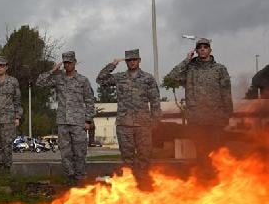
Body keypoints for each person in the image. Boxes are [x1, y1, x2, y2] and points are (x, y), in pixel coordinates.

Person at [167, 38, 233, 182]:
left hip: (216, 119)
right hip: (196, 119)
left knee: (217, 152)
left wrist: (228, 115)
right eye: (200, 47)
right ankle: (204, 182)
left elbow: (226, 93)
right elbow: (171, 78)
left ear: (210, 50)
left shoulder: (220, 69)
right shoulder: (189, 69)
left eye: (205, 47)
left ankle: (219, 182)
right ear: (196, 51)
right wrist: (186, 61)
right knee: (201, 153)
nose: (203, 49)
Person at [97, 49, 162, 190]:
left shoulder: (148, 78)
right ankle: (130, 188)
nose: (132, 62)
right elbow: (100, 80)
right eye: (129, 60)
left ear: (139, 60)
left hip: (143, 125)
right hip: (124, 125)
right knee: (127, 159)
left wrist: (155, 122)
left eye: (134, 60)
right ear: (126, 62)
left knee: (144, 157)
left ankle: (143, 186)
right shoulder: (120, 77)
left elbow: (155, 101)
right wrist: (112, 65)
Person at [36, 51, 95, 187]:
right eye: (65, 63)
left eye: (70, 62)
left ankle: (80, 179)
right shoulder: (58, 79)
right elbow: (40, 82)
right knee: (65, 153)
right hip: (63, 121)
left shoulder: (82, 80)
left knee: (80, 152)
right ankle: (71, 178)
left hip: (78, 122)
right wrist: (52, 70)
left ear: (74, 63)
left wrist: (88, 120)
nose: (68, 65)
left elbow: (90, 100)